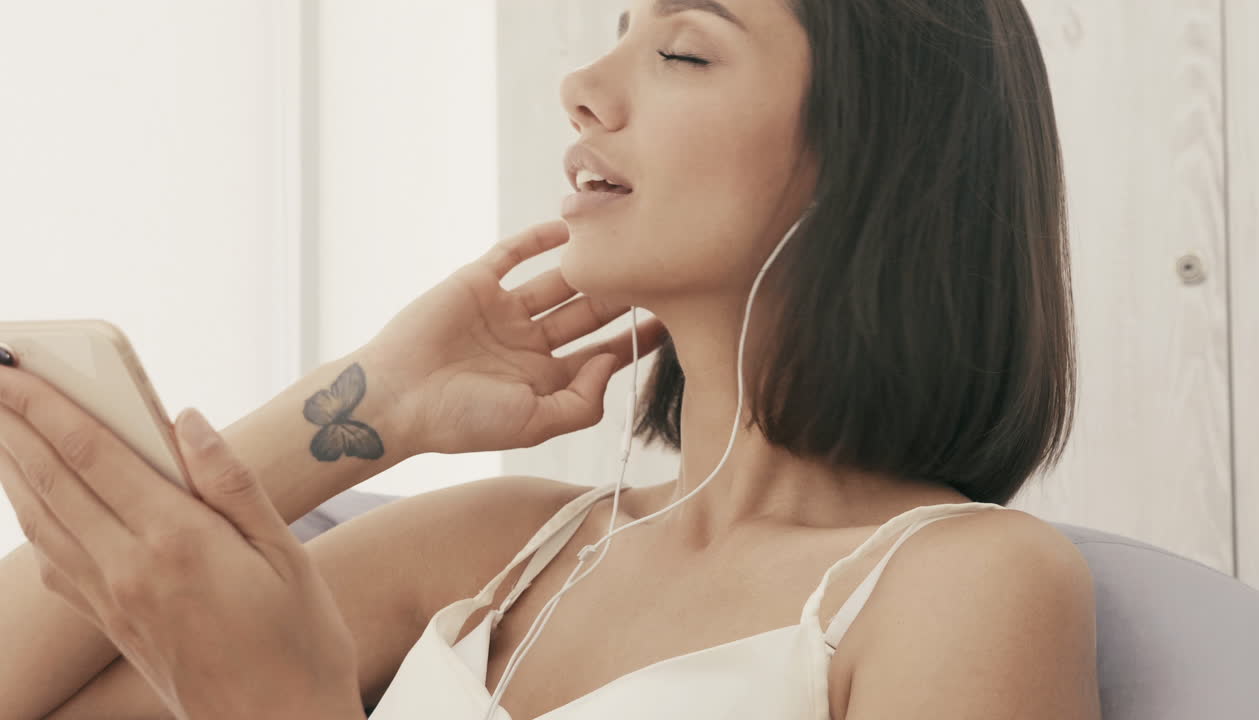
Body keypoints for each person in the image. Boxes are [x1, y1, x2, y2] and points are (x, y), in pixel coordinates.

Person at [0, 0, 1101, 718]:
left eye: (680, 49)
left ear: (871, 162)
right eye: (617, 27)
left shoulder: (968, 584)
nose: (581, 83)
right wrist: (374, 406)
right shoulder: (498, 545)